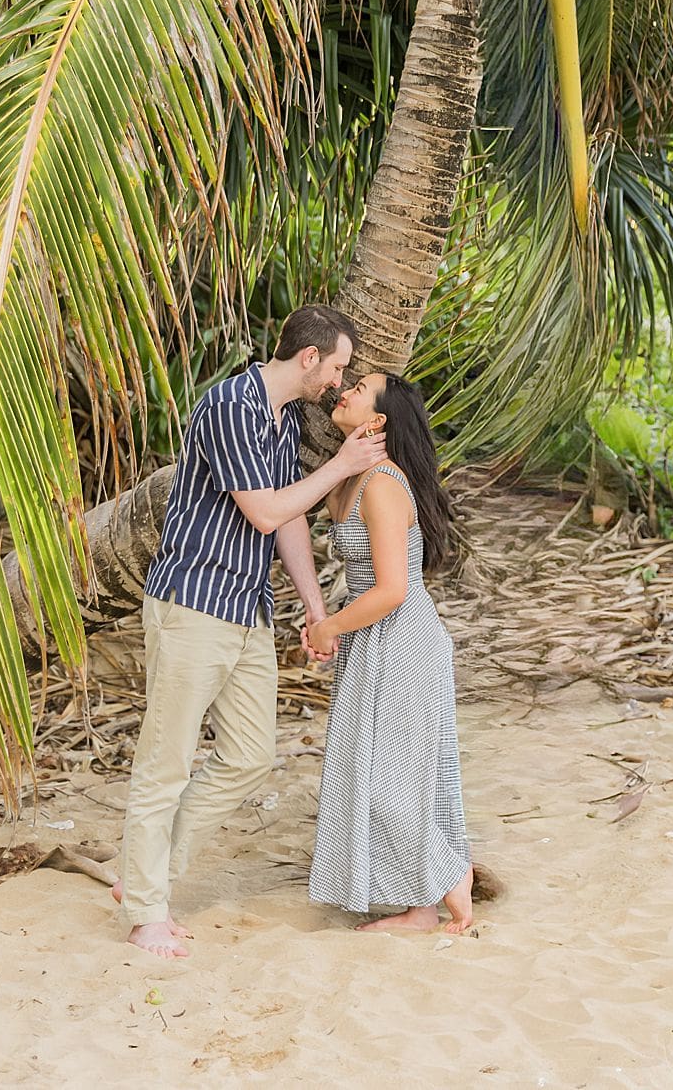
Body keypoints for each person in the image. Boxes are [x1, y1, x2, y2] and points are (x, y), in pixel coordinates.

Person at [114, 305, 387, 958]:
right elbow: (264, 511)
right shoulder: (233, 403)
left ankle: (144, 876)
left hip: (247, 608)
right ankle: (148, 910)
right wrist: (344, 464)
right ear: (309, 358)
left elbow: (289, 518)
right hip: (193, 602)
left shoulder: (285, 416)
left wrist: (315, 606)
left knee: (248, 754)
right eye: (340, 366)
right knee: (167, 759)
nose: (340, 380)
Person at [307, 372, 473, 934]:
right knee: (381, 767)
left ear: (377, 421)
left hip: (399, 636)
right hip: (371, 635)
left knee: (391, 773)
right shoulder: (352, 479)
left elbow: (391, 589)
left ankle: (425, 903)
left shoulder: (381, 485)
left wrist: (329, 627)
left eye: (358, 389)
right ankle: (447, 876)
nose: (344, 391)